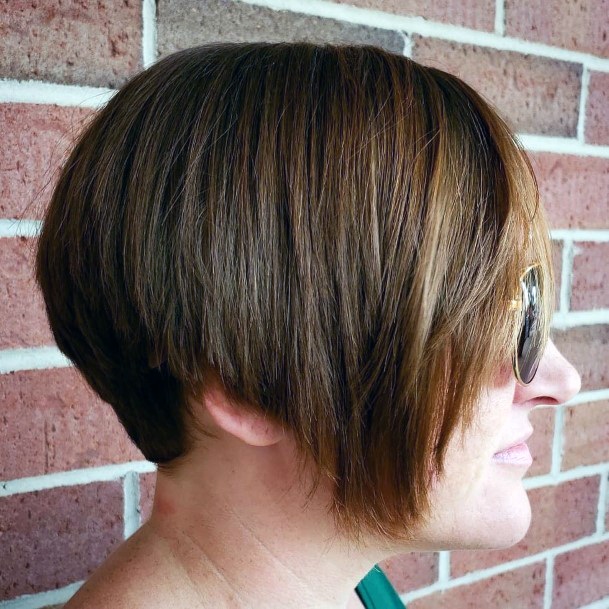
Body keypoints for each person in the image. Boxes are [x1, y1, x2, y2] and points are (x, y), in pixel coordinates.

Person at [34, 42, 581, 609]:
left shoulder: (349, 584)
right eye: (500, 319)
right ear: (251, 387)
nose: (560, 382)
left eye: (529, 303)